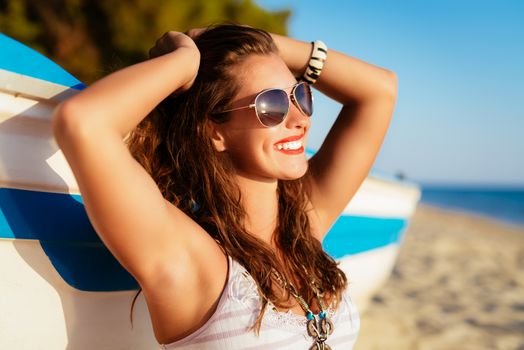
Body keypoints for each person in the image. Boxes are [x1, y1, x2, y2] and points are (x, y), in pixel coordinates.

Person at [52, 24, 397, 349]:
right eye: (272, 106)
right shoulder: (194, 263)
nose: (300, 119)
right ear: (214, 131)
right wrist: (185, 60)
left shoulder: (302, 230)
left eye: (299, 95)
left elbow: (380, 90)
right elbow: (84, 122)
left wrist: (262, 42)